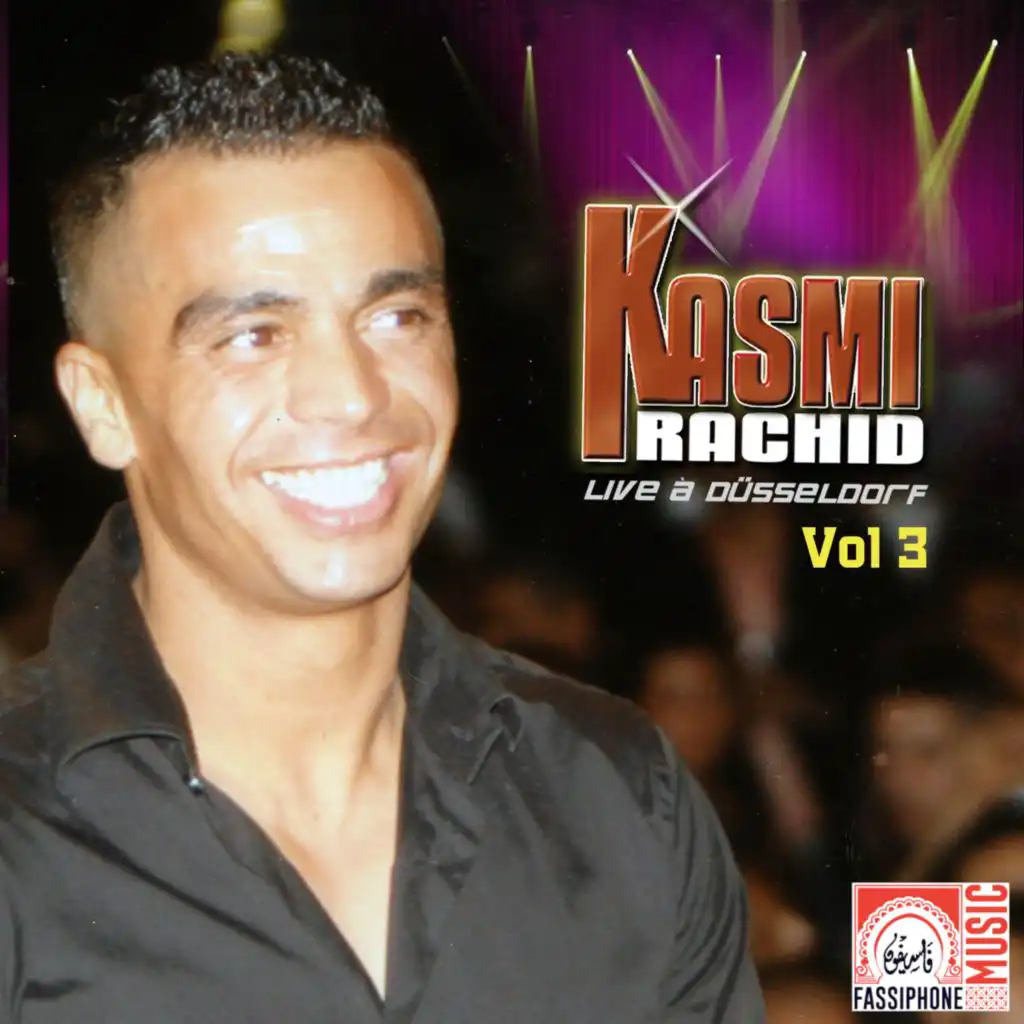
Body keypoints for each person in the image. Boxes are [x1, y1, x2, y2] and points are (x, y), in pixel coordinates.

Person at [0, 53, 763, 1022]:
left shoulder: (617, 792)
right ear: (102, 405)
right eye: (253, 335)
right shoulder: (19, 832)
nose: (354, 394)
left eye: (396, 316)